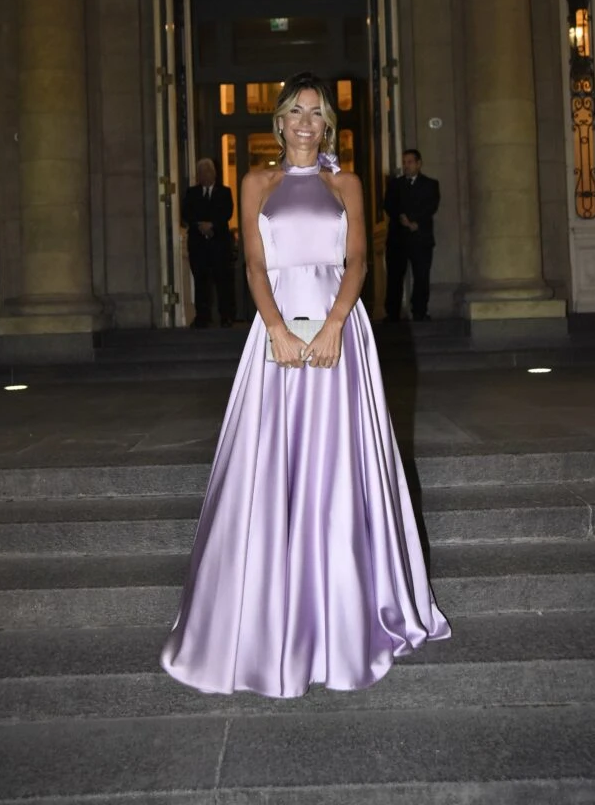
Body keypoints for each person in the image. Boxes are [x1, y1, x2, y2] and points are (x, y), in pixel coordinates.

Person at [161, 71, 450, 698]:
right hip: (274, 338)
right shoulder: (257, 182)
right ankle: (262, 619)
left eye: (316, 114)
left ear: (328, 127)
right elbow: (256, 264)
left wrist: (335, 327)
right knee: (269, 470)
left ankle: (345, 615)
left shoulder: (343, 182)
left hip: (340, 336)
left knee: (337, 470)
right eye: (295, 111)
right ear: (280, 119)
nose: (304, 123)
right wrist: (276, 330)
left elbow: (360, 262)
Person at [384, 149, 440, 322]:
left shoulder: (430, 184)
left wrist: (416, 222)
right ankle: (392, 313)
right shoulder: (395, 184)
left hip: (420, 237)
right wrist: (401, 217)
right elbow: (388, 204)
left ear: (418, 163)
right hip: (398, 239)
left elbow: (431, 205)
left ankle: (420, 311)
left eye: (409, 162)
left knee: (421, 275)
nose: (406, 166)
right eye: (405, 162)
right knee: (394, 276)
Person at [181, 158, 235, 328]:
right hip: (199, 245)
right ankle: (202, 316)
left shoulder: (224, 192)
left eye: (208, 172)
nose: (205, 175)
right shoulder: (192, 193)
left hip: (219, 243)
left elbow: (227, 212)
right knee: (200, 280)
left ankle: (226, 315)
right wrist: (200, 225)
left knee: (222, 280)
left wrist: (212, 225)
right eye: (201, 173)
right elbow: (186, 212)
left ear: (214, 174)